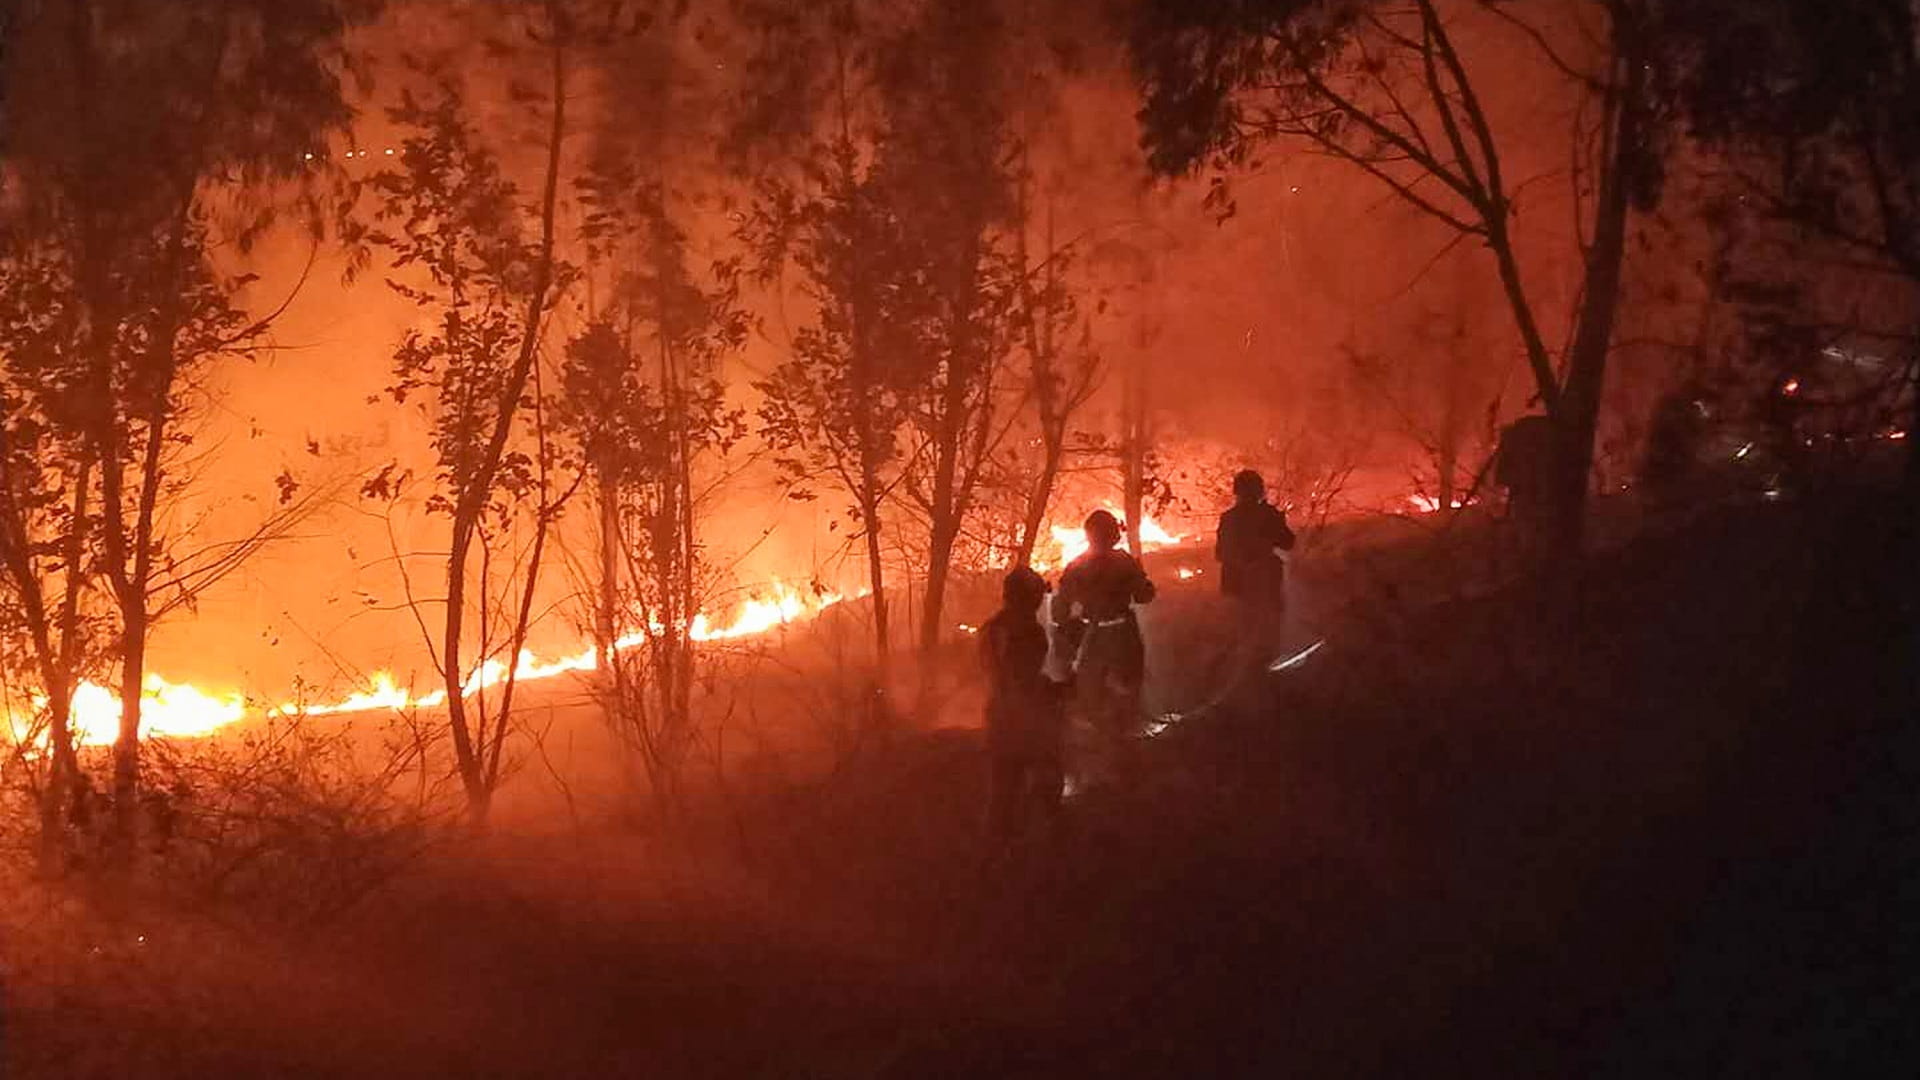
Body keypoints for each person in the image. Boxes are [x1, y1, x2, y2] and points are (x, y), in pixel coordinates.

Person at [1054, 510, 1156, 769]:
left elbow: (1060, 608)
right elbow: (1144, 596)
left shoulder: (1077, 565)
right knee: (1128, 692)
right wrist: (1143, 584)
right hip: (1122, 636)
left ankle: (1102, 758)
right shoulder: (1124, 562)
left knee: (1092, 698)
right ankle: (1125, 757)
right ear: (1113, 534)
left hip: (1092, 639)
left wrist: (1068, 631)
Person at [981, 566, 1066, 847]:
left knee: (1003, 791)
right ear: (1028, 597)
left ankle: (997, 855)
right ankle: (1051, 847)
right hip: (1027, 720)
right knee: (1048, 779)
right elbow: (1025, 679)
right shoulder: (1028, 631)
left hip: (998, 718)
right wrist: (1059, 689)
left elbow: (998, 675)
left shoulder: (990, 629)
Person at [1214, 470, 1296, 667]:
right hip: (1265, 585)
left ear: (1237, 491)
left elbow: (1220, 554)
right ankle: (1268, 671)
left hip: (1239, 588)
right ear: (1259, 490)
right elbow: (1288, 542)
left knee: (1245, 635)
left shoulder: (1229, 518)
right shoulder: (1268, 515)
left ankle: (1250, 674)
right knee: (1269, 634)